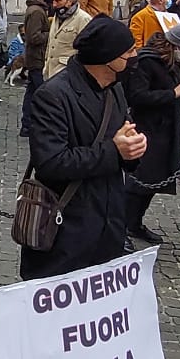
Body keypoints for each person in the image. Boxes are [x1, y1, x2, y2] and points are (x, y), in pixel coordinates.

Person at [23, 16, 147, 279]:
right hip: (66, 227)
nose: (134, 55)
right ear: (107, 57)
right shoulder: (53, 95)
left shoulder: (115, 89)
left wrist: (133, 148)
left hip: (108, 223)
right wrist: (115, 151)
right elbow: (51, 162)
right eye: (129, 51)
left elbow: (123, 135)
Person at [122, 19, 180, 245]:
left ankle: (135, 223)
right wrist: (174, 94)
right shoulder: (147, 61)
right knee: (140, 181)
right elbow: (138, 97)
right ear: (175, 45)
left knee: (154, 180)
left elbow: (170, 89)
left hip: (166, 129)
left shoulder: (170, 62)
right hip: (148, 129)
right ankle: (124, 225)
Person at [18, 0, 53, 135]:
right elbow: (34, 37)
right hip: (36, 58)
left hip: (36, 57)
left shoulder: (40, 9)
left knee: (32, 91)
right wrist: (51, 33)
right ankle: (32, 124)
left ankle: (27, 124)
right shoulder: (36, 12)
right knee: (39, 92)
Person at [43, 0, 92, 81]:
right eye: (53, 1)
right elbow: (51, 42)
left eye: (58, 1)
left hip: (68, 74)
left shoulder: (83, 19)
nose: (54, 4)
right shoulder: (57, 16)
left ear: (69, 2)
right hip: (50, 72)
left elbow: (87, 49)